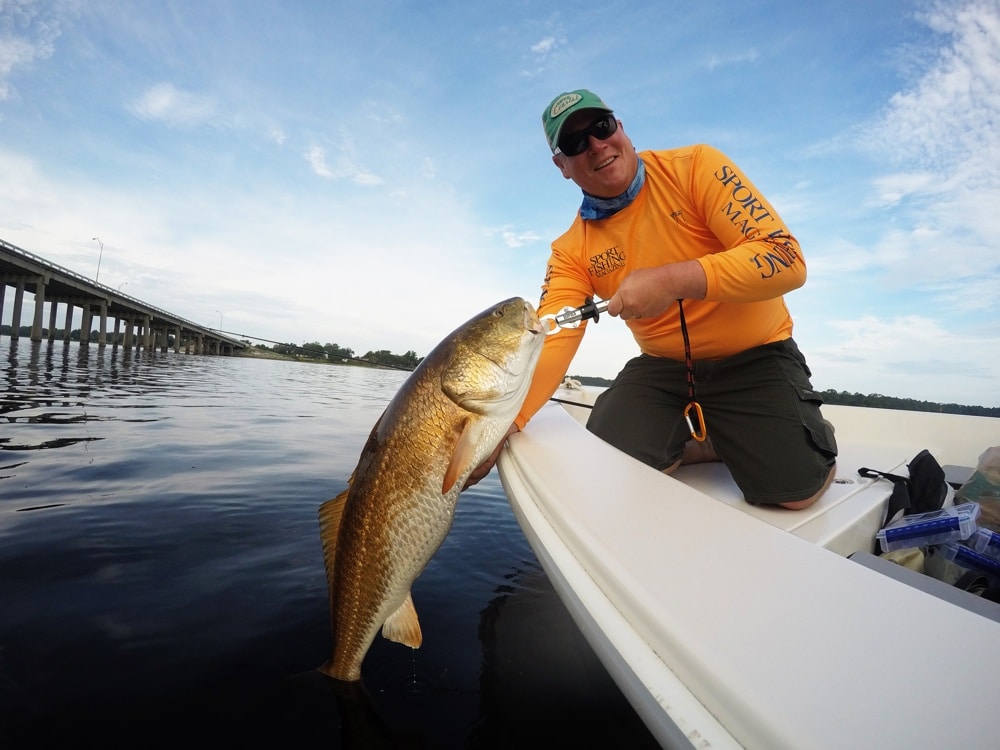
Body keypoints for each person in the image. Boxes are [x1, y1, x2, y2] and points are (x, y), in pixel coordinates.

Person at [467, 89, 837, 509]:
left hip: (758, 355)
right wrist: (505, 423)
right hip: (664, 369)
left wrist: (675, 279)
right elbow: (553, 333)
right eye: (575, 143)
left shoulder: (697, 168)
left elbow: (786, 259)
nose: (596, 146)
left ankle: (800, 436)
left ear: (620, 127)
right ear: (561, 166)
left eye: (602, 128)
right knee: (608, 456)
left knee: (793, 491)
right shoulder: (570, 249)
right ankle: (706, 440)